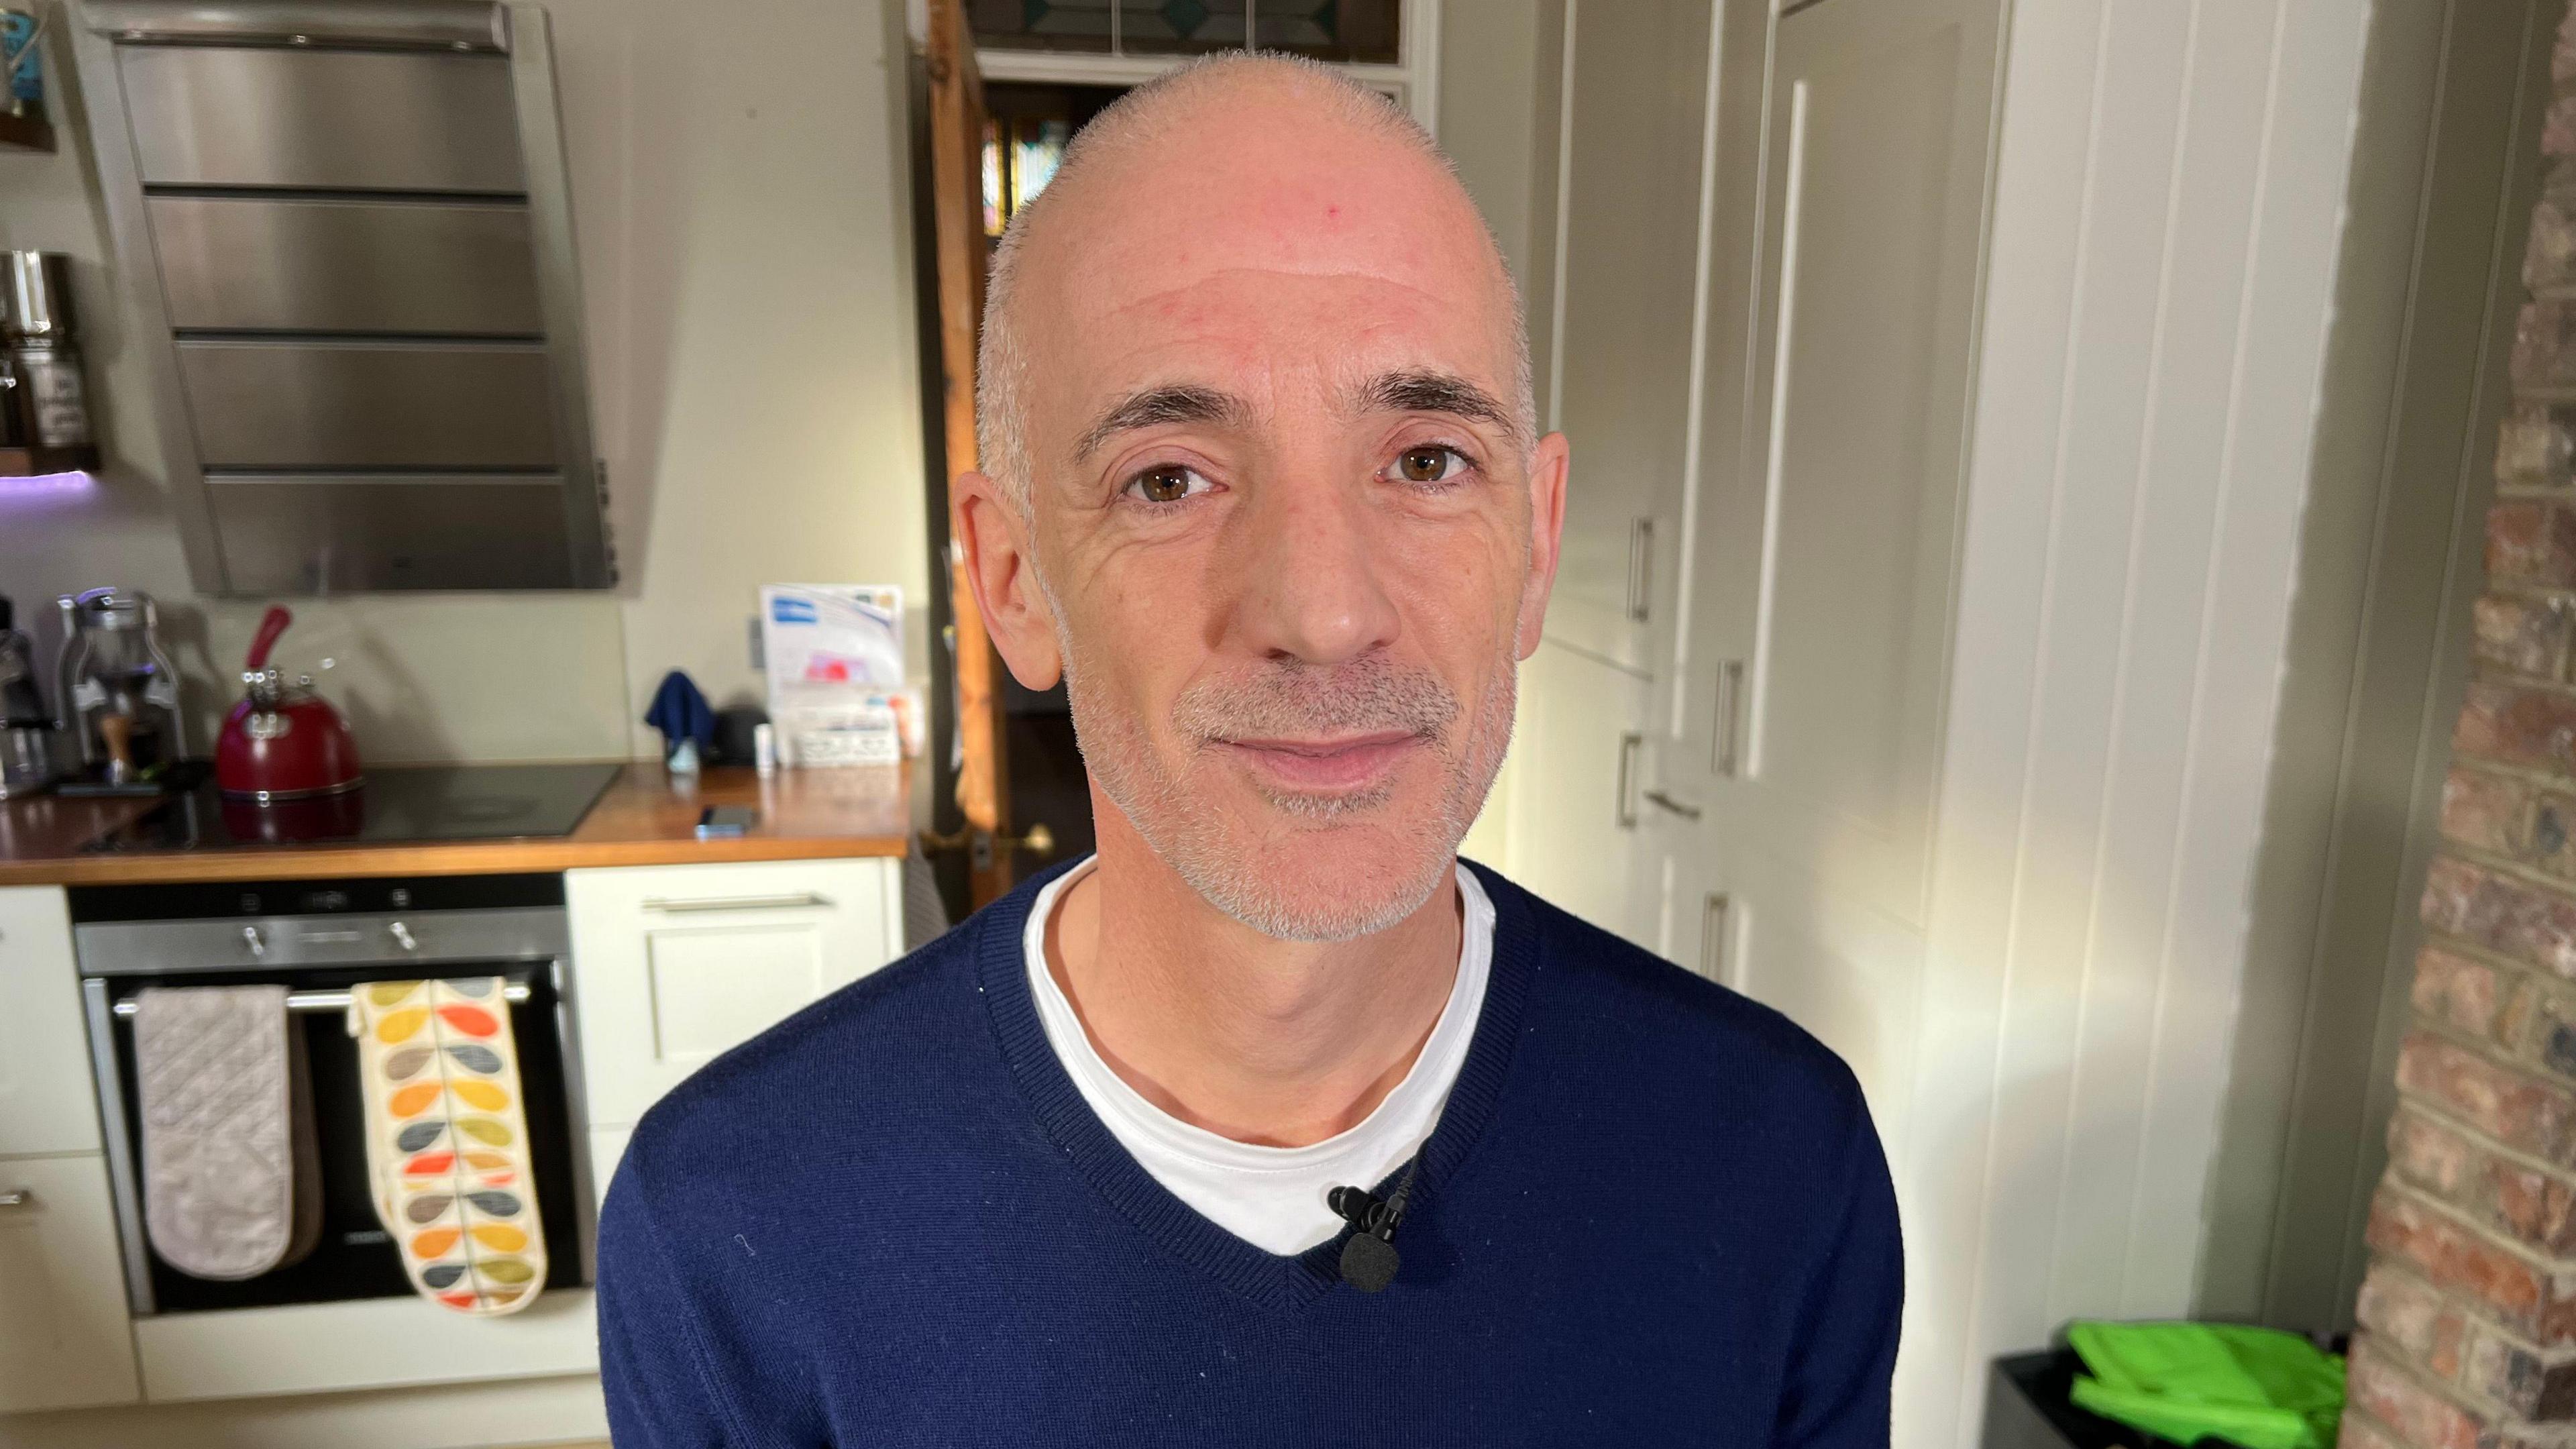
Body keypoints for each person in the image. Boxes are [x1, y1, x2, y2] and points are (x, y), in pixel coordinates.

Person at [596, 51, 1901, 1447]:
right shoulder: (738, 1229)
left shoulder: (1772, 1163)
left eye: (1425, 461)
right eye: (1169, 478)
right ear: (1018, 578)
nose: (1327, 614)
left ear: (1536, 542)